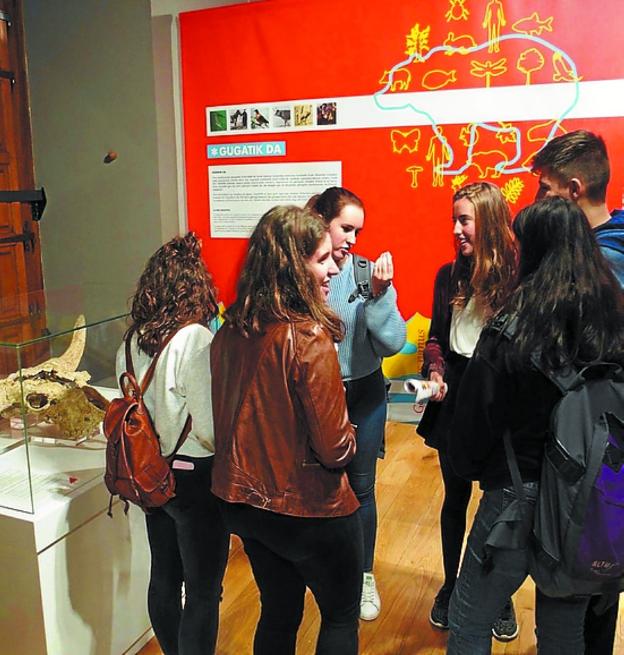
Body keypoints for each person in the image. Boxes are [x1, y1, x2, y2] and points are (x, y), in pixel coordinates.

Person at [446, 196, 624, 654]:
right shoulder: (611, 328)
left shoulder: (511, 329)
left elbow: (470, 430)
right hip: (584, 499)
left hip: (514, 496)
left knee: (470, 619)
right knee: (565, 634)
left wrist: (475, 468)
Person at [210, 206, 363, 655]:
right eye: (321, 259)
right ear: (292, 265)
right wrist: (352, 431)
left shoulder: (231, 330)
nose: (334, 267)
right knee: (339, 617)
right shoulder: (307, 336)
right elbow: (336, 450)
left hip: (246, 505)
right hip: (309, 509)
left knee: (278, 613)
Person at [532, 129, 624, 653]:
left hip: (590, 456)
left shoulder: (600, 267)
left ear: (571, 189)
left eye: (545, 190)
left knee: (576, 590)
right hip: (601, 456)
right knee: (600, 589)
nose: (539, 200)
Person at [116, 233, 229, 655]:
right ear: (195, 285)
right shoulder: (195, 339)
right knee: (203, 590)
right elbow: (209, 429)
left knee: (164, 576)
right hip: (193, 477)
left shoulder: (132, 339)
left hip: (148, 473)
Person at [416, 182, 518, 638]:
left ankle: (499, 595)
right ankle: (452, 585)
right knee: (454, 498)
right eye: (454, 219)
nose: (456, 229)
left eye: (465, 219)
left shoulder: (517, 277)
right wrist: (435, 370)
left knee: (499, 506)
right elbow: (436, 337)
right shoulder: (447, 276)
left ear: (490, 222)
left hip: (498, 403)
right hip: (454, 398)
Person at [306, 187, 406, 621]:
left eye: (357, 231)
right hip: (314, 397)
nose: (352, 239)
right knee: (316, 488)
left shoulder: (368, 275)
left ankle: (363, 575)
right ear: (321, 222)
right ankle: (322, 570)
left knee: (361, 489)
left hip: (363, 395)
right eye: (345, 228)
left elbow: (393, 342)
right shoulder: (302, 271)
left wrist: (381, 295)